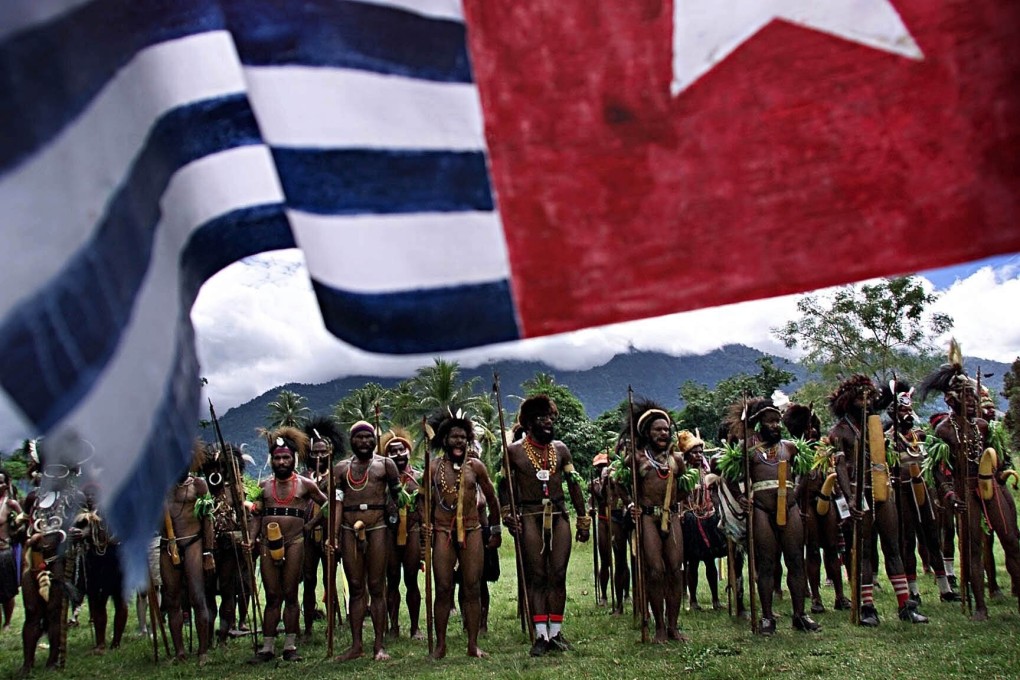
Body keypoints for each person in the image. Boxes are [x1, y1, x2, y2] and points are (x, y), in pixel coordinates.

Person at [921, 353, 1020, 620]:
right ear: (950, 400)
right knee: (972, 548)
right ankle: (979, 605)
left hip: (990, 487)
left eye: (973, 396)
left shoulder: (984, 426)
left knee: (1011, 540)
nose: (972, 401)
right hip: (965, 490)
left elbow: (996, 457)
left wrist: (999, 474)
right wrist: (950, 494)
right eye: (966, 396)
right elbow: (941, 473)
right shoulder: (943, 431)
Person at [828, 375, 928, 626]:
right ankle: (867, 607)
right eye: (861, 397)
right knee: (862, 550)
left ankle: (905, 605)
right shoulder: (840, 431)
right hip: (857, 492)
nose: (867, 401)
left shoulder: (876, 426)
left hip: (882, 490)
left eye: (870, 396)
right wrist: (849, 498)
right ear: (849, 401)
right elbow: (839, 466)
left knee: (892, 546)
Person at [502, 394, 589, 656]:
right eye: (542, 419)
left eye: (551, 418)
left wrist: (583, 519)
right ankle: (541, 635)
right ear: (528, 423)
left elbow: (573, 484)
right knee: (537, 576)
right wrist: (508, 514)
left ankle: (556, 632)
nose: (549, 423)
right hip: (530, 514)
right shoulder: (514, 451)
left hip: (559, 512)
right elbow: (504, 487)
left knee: (558, 574)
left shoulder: (561, 449)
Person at [731, 397, 820, 635]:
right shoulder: (747, 449)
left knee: (795, 560)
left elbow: (803, 473)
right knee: (767, 563)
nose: (775, 425)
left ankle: (800, 615)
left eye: (777, 421)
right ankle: (768, 617)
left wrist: (796, 493)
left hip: (789, 508)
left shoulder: (790, 447)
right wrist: (741, 498)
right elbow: (728, 475)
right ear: (759, 423)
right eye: (770, 421)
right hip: (761, 509)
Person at [425, 410, 501, 658]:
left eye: (462, 437)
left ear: (468, 439)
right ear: (444, 440)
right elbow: (422, 501)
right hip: (442, 531)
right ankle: (441, 645)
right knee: (443, 587)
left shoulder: (475, 466)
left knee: (472, 587)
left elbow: (492, 498)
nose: (458, 441)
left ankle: (472, 644)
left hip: (472, 530)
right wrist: (425, 526)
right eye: (453, 437)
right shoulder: (434, 467)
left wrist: (496, 530)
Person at [250, 427, 328, 662]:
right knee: (273, 595)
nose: (282, 461)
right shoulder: (263, 486)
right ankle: (267, 647)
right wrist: (252, 538)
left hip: (295, 543)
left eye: (286, 457)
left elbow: (328, 506)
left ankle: (290, 647)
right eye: (277, 457)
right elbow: (256, 514)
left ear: (293, 459)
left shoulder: (306, 484)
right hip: (267, 544)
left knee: (291, 593)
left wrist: (311, 524)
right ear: (272, 460)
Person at [883, 381, 959, 604]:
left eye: (908, 410)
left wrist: (943, 491)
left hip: (925, 491)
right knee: (906, 540)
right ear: (893, 413)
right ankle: (913, 591)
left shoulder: (922, 437)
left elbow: (933, 467)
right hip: (901, 494)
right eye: (902, 411)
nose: (906, 414)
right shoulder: (887, 440)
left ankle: (945, 589)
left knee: (932, 538)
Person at [333, 421, 401, 662]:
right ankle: (356, 645)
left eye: (368, 438)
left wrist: (394, 511)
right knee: (355, 587)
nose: (364, 442)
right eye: (359, 438)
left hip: (378, 528)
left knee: (376, 586)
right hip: (349, 529)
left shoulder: (386, 465)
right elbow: (338, 504)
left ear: (375, 440)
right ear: (351, 441)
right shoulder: (340, 469)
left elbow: (397, 497)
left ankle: (379, 646)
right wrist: (334, 535)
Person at [623, 401, 690, 642]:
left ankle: (673, 626)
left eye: (666, 429)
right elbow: (620, 484)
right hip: (648, 518)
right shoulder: (637, 459)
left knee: (674, 569)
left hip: (671, 516)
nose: (663, 433)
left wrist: (676, 505)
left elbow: (685, 488)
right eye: (657, 430)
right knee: (655, 571)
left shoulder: (677, 461)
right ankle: (659, 626)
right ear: (646, 433)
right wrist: (632, 505)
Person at [785, 403, 850, 614]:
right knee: (812, 549)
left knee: (832, 547)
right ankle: (816, 598)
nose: (811, 430)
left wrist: (842, 504)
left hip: (827, 499)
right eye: (807, 427)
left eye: (814, 426)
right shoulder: (793, 449)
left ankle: (840, 596)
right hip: (806, 503)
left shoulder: (825, 447)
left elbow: (836, 476)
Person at [160, 444, 216, 665]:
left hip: (193, 542)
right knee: (172, 598)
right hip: (167, 544)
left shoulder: (199, 485)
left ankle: (203, 651)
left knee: (196, 596)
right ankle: (179, 652)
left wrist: (208, 552)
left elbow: (207, 520)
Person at [301, 417, 345, 640]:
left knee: (330, 578)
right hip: (307, 538)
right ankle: (307, 626)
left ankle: (332, 623)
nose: (319, 457)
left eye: (323, 453)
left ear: (331, 453)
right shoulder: (303, 478)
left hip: (329, 534)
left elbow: (334, 505)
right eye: (315, 453)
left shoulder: (336, 477)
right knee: (309, 578)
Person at [381, 427, 424, 640]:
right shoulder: (382, 480)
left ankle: (415, 627)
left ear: (408, 452)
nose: (398, 454)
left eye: (402, 450)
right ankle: (393, 626)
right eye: (393, 451)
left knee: (411, 580)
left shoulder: (419, 478)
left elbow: (425, 508)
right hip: (389, 533)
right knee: (392, 580)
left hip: (413, 531)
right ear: (386, 456)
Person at [74, 484, 128, 654]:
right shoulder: (82, 516)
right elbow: (79, 532)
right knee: (97, 601)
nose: (90, 497)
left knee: (120, 599)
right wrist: (81, 534)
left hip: (115, 556)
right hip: (94, 559)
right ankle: (100, 643)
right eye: (87, 494)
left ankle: (117, 641)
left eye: (93, 494)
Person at [677, 431, 726, 612]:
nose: (698, 456)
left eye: (700, 452)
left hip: (708, 520)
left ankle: (715, 600)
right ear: (687, 455)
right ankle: (693, 600)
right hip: (690, 521)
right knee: (692, 563)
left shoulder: (707, 472)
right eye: (694, 453)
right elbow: (679, 498)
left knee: (710, 560)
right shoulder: (683, 475)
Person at [0, 468, 23, 632]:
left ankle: (7, 622)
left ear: (7, 483)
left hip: (4, 551)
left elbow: (24, 521)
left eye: (1, 481)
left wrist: (15, 531)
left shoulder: (11, 504)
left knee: (7, 590)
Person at [588, 452, 612, 606]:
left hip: (617, 521)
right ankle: (603, 595)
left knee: (621, 560)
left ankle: (625, 594)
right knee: (605, 560)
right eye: (600, 467)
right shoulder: (594, 485)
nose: (603, 469)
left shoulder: (616, 480)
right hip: (603, 521)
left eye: (605, 466)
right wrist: (590, 509)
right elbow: (591, 501)